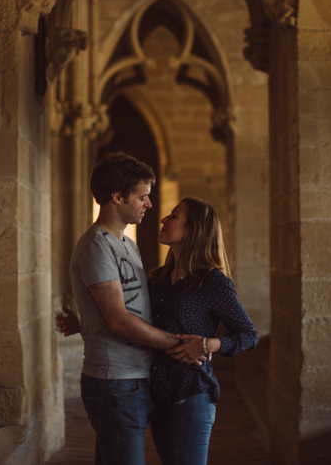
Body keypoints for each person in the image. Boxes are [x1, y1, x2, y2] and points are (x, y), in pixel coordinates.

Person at [60, 196, 258, 465]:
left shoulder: (212, 282)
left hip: (192, 393)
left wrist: (208, 345)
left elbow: (248, 335)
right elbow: (132, 320)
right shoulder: (157, 278)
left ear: (194, 229)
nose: (164, 219)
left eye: (174, 216)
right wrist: (81, 325)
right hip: (157, 396)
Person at [65, 153, 207, 465]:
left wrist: (84, 323)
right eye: (142, 197)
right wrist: (181, 344)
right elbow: (118, 321)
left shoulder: (126, 243)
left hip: (133, 378)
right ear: (117, 197)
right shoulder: (96, 246)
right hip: (115, 381)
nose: (149, 205)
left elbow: (128, 306)